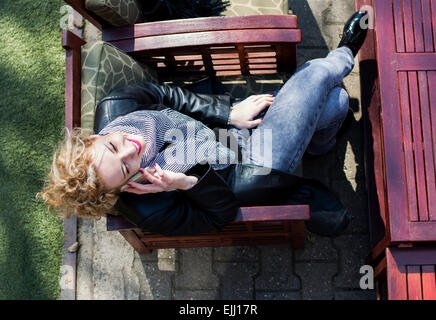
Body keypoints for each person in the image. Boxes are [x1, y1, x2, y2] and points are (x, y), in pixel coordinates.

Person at [38, 11, 368, 237]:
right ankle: (345, 53)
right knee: (313, 76)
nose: (131, 149)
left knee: (336, 104)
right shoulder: (147, 208)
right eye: (126, 169)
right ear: (122, 188)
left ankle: (318, 145)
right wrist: (184, 184)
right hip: (250, 169)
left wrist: (229, 114)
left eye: (113, 145)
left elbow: (168, 96)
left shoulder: (118, 105)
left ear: (94, 136)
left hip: (232, 133)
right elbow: (219, 216)